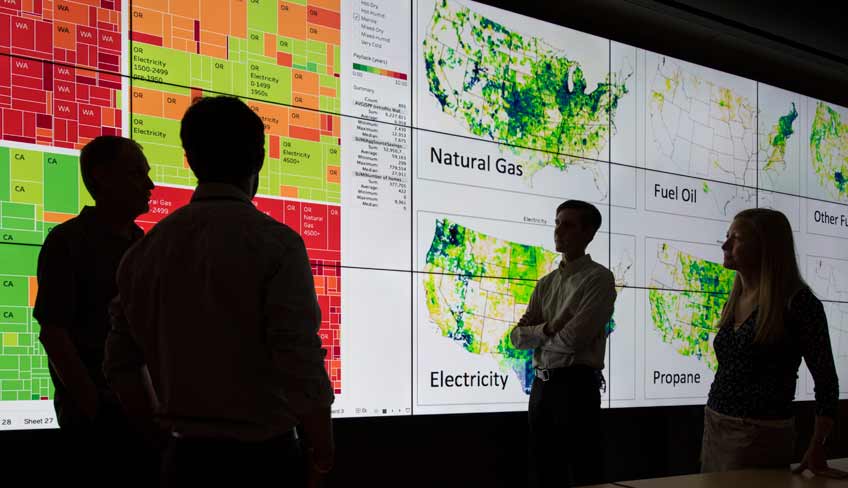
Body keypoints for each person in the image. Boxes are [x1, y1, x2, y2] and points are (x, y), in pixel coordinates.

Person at [103, 96, 335, 487]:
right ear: (258, 160)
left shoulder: (144, 253)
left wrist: (162, 441)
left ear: (190, 160)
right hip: (266, 463)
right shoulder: (277, 246)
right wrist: (323, 452)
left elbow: (121, 366)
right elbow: (299, 361)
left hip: (184, 464)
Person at [33, 136, 156, 486]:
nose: (149, 185)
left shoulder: (143, 245)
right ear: (101, 177)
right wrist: (95, 409)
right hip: (96, 427)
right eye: (136, 173)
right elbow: (54, 333)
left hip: (142, 418)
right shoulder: (67, 242)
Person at [702, 208, 844, 477]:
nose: (725, 245)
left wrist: (818, 445)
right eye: (726, 236)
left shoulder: (799, 303)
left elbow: (826, 381)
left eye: (737, 238)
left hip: (760, 436)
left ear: (765, 247)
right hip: (715, 426)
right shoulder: (734, 301)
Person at [510, 200, 617, 487]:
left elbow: (573, 341)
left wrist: (539, 338)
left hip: (576, 388)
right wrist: (550, 327)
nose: (558, 231)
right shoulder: (545, 283)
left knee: (583, 471)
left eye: (568, 225)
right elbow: (516, 338)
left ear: (589, 233)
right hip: (542, 388)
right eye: (557, 223)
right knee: (544, 471)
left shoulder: (599, 279)